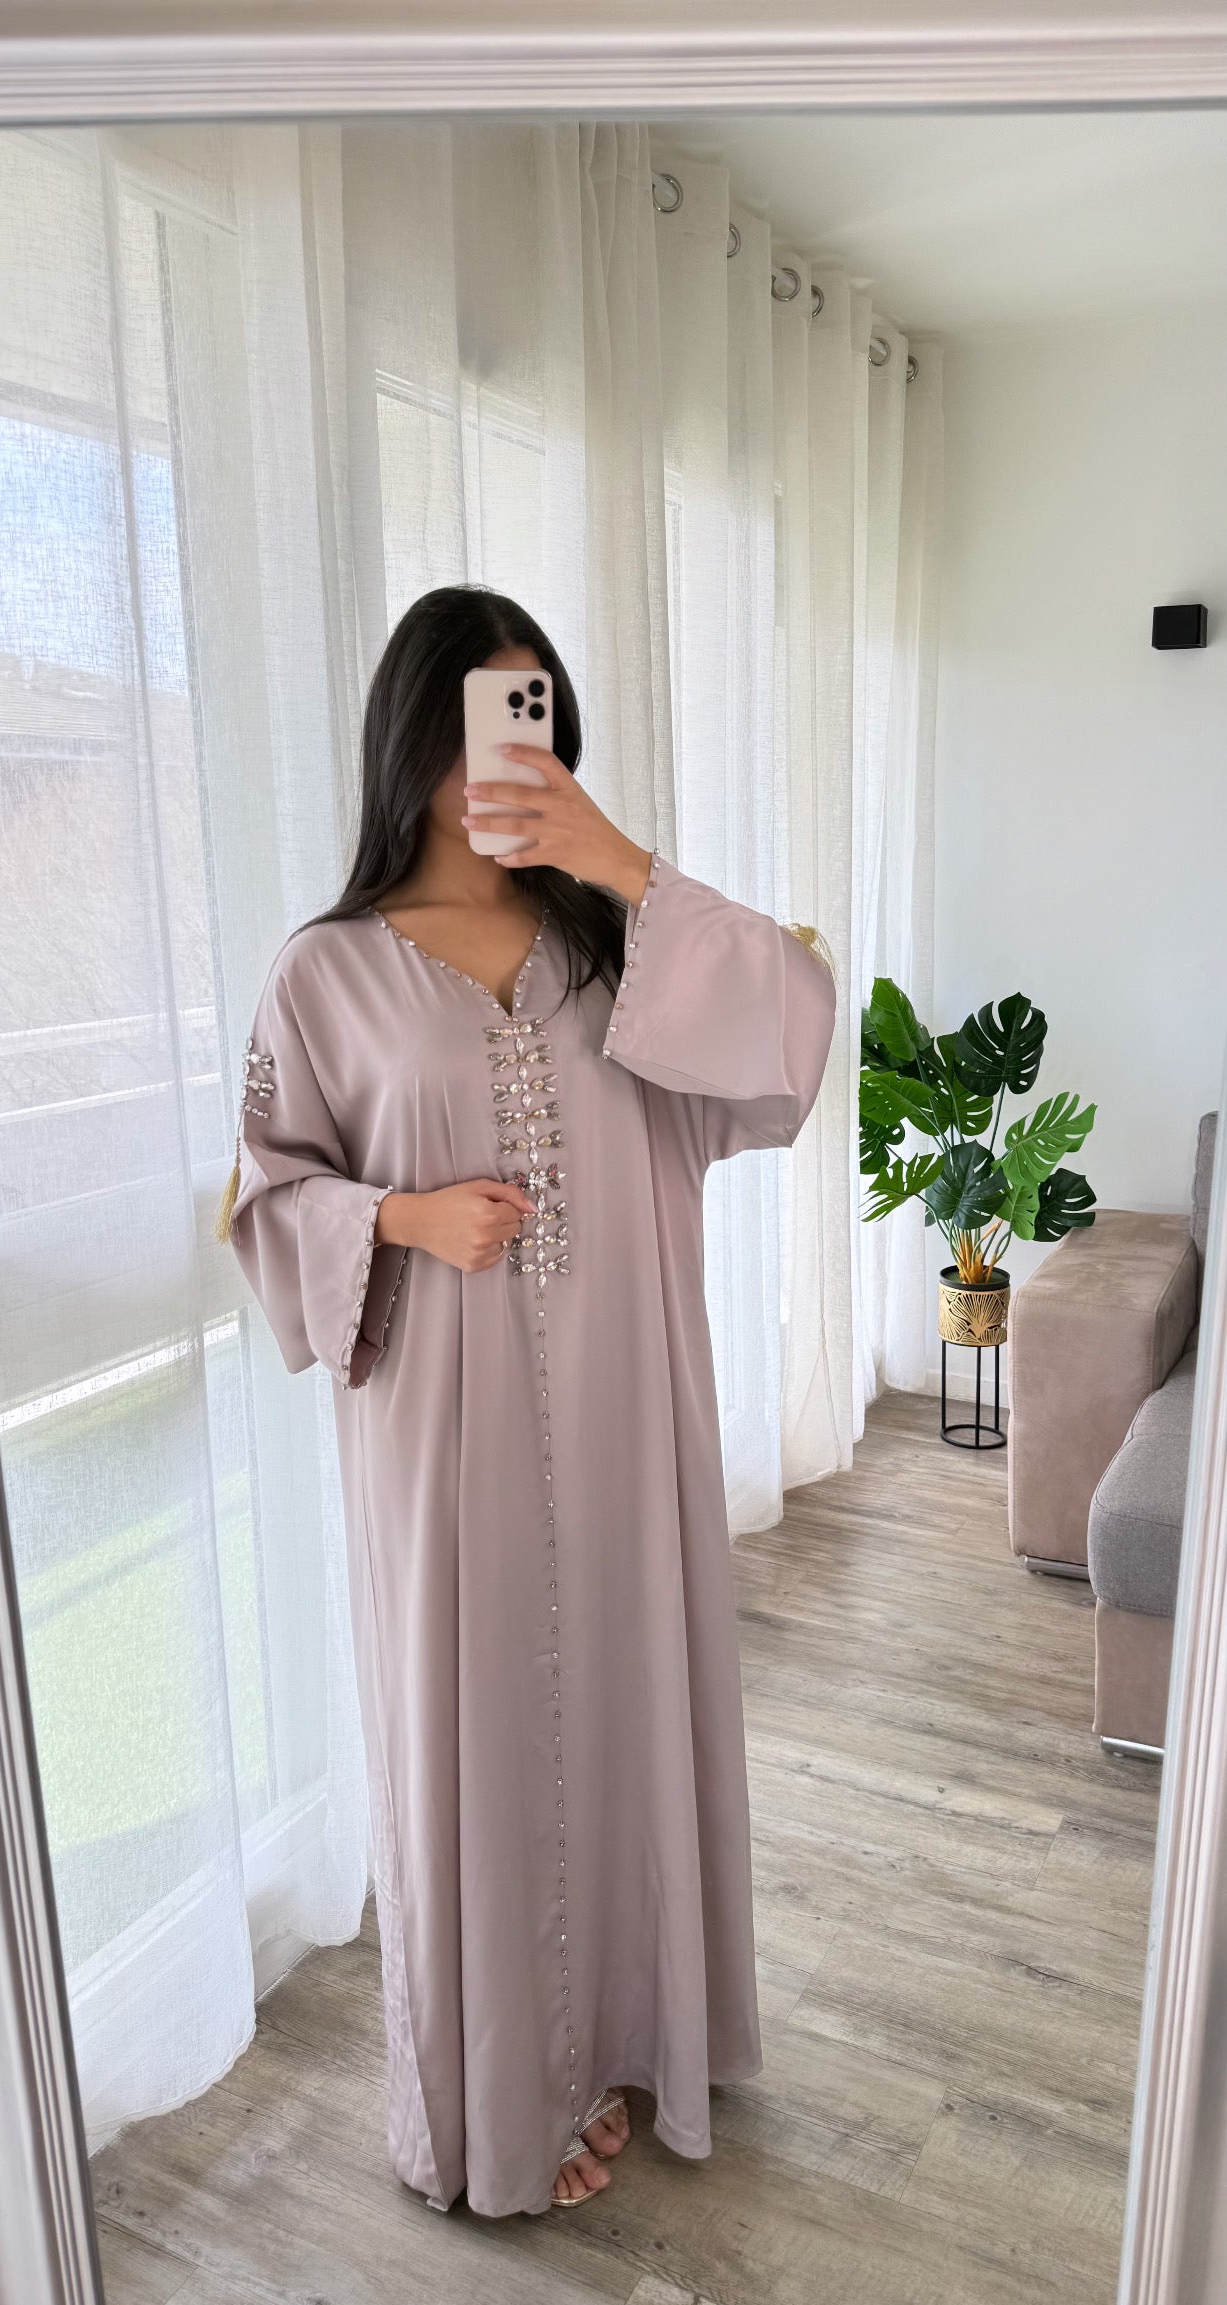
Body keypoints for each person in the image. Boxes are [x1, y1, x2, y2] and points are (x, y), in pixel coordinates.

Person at [219, 584, 836, 2217]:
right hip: (445, 1437)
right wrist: (402, 1218)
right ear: (414, 732)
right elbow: (265, 1199)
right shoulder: (323, 975)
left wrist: (618, 857)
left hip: (627, 1416)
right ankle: (501, 2094)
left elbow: (792, 1039)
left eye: (538, 712)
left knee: (625, 1695)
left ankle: (626, 2030)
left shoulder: (611, 947)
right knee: (474, 1729)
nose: (513, 743)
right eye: (487, 713)